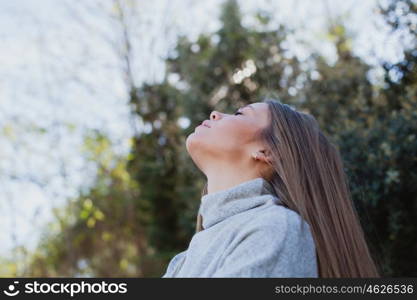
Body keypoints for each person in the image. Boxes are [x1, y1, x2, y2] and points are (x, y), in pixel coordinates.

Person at [162, 98, 380, 278]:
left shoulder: (275, 227)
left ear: (268, 151)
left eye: (239, 114)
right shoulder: (182, 261)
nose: (215, 114)